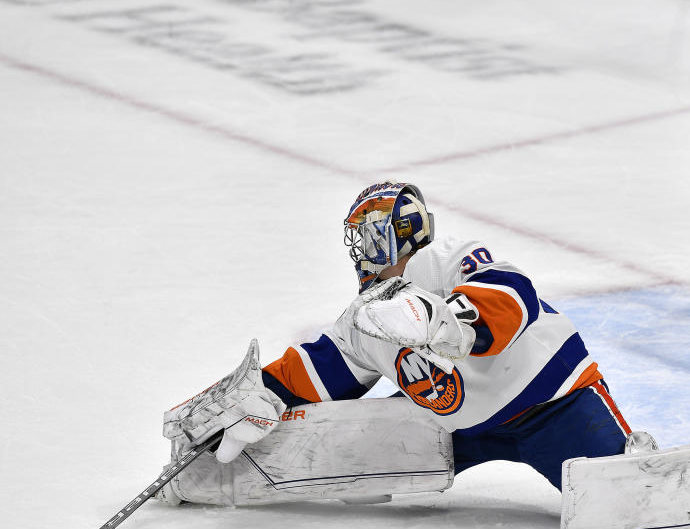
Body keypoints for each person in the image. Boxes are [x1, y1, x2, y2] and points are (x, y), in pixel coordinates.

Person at [163, 181, 634, 492]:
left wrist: (447, 321)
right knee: (368, 434)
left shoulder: (447, 259)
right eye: (356, 243)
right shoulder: (365, 317)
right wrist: (259, 392)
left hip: (553, 405)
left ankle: (632, 461)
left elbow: (513, 295)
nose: (360, 256)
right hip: (455, 429)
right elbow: (320, 369)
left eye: (369, 240)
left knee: (618, 493)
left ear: (402, 235)